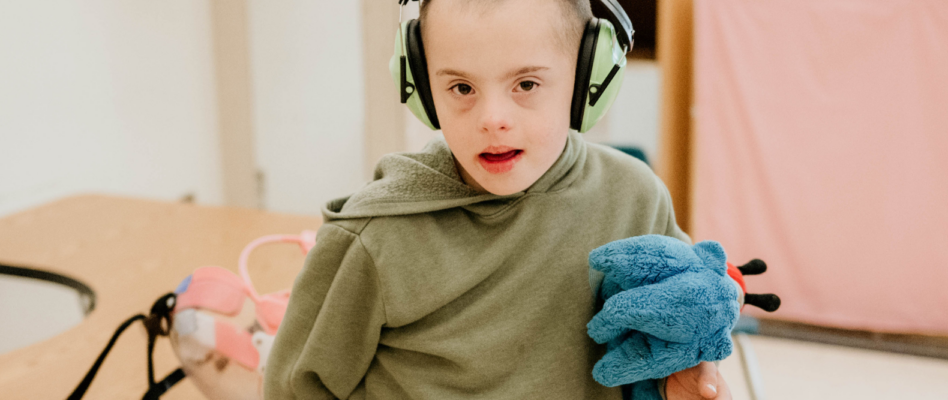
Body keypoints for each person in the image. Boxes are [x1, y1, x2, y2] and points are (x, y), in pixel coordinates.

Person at [264, 0, 732, 398]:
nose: (492, 118)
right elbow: (297, 387)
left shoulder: (636, 196)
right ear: (423, 90)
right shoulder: (373, 238)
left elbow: (681, 324)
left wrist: (690, 374)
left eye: (526, 84)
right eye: (461, 88)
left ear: (589, 78)